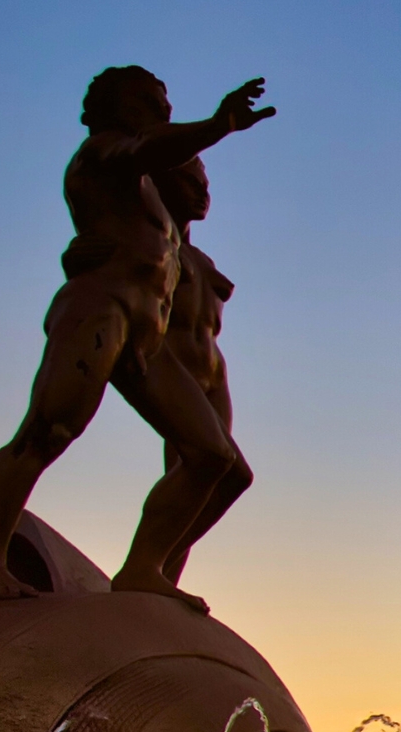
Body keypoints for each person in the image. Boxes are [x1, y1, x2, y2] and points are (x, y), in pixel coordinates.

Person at [0, 66, 273, 611]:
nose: (163, 111)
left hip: (146, 337)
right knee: (47, 430)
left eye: (165, 103)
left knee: (211, 456)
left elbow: (166, 229)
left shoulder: (159, 207)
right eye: (150, 102)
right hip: (100, 312)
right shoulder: (103, 154)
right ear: (117, 108)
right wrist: (219, 124)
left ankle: (142, 567)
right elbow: (144, 156)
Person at [150, 156, 252, 585]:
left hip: (214, 371)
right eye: (190, 182)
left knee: (222, 480)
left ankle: (162, 575)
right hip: (172, 360)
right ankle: (146, 564)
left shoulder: (199, 255)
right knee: (198, 466)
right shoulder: (150, 241)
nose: (202, 192)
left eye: (205, 184)